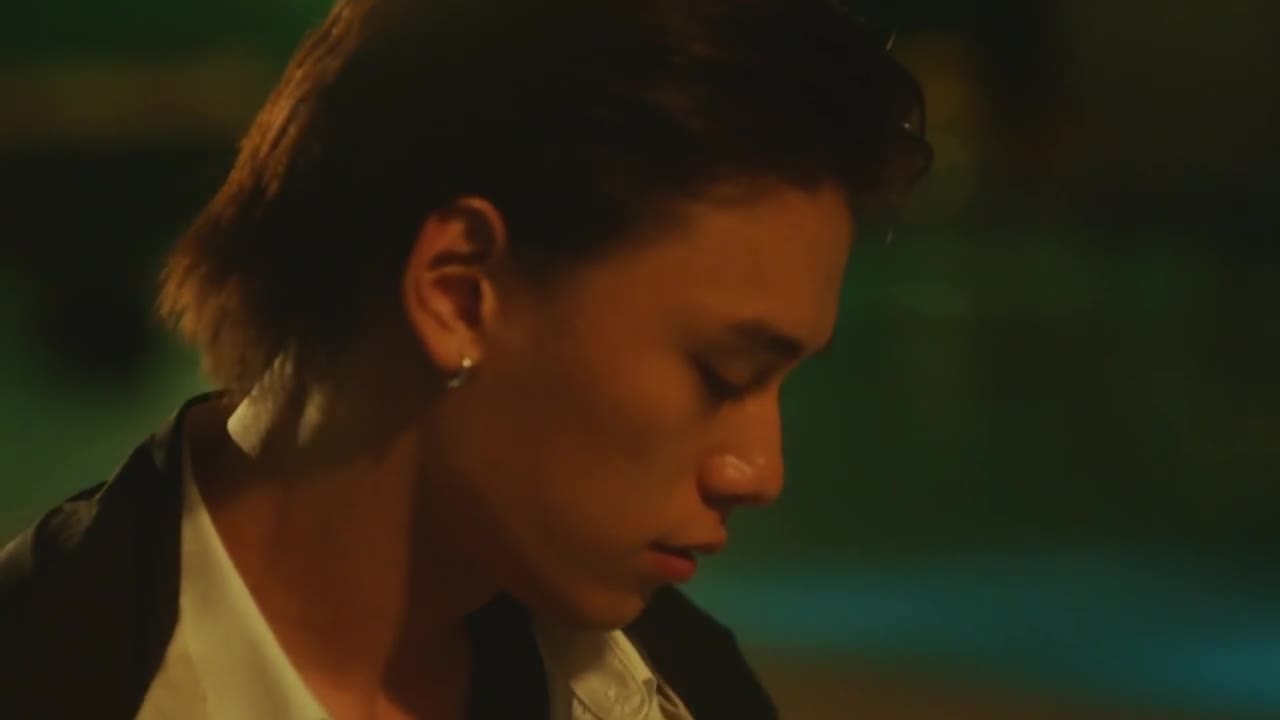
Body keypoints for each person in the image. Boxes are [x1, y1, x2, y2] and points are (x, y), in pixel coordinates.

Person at [0, 0, 930, 717]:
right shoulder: (50, 679)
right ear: (458, 292)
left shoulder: (683, 688)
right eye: (724, 373)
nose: (760, 471)